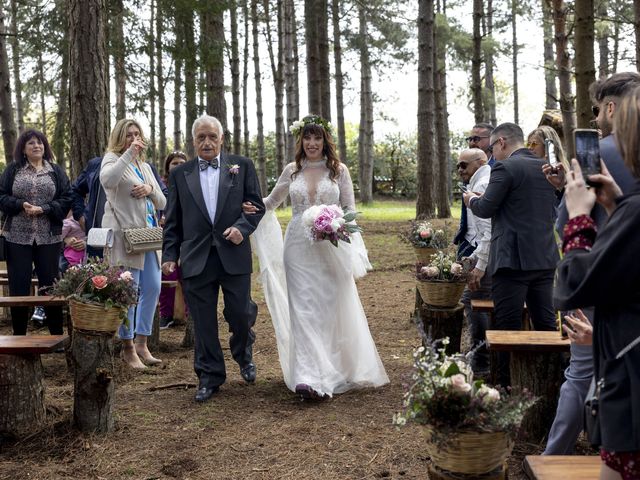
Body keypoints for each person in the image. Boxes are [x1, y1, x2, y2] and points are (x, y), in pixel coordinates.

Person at [251, 114, 389, 400]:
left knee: (328, 307)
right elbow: (271, 202)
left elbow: (350, 210)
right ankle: (307, 377)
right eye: (307, 137)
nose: (312, 143)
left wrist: (335, 224)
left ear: (325, 141)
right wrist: (247, 206)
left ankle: (333, 368)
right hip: (298, 247)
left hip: (330, 246)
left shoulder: (339, 171)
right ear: (301, 140)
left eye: (317, 137)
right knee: (302, 309)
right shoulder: (292, 170)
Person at [543, 72, 640, 456]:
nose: (597, 120)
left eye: (600, 110)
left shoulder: (603, 155)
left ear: (615, 109)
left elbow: (570, 281)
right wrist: (615, 207)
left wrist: (577, 212)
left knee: (582, 373)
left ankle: (552, 457)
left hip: (604, 288)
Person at [162, 114, 265, 403]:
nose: (206, 142)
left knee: (241, 314)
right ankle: (209, 376)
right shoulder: (181, 174)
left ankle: (243, 353)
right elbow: (173, 220)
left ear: (221, 139)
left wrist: (242, 229)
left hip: (233, 254)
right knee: (204, 323)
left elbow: (256, 206)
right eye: (201, 137)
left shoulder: (241, 167)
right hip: (196, 257)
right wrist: (170, 255)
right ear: (193, 141)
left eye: (212, 136)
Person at [464, 122, 559, 387]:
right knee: (546, 325)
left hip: (512, 262)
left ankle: (505, 389)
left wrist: (470, 199)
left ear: (502, 142)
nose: (492, 154)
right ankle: (550, 385)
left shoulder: (504, 167)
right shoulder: (544, 168)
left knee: (507, 327)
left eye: (493, 147)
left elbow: (485, 207)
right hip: (544, 258)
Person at [100, 119, 167, 369]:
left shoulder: (145, 166)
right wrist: (128, 153)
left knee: (152, 287)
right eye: (129, 135)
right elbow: (108, 180)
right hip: (124, 237)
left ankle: (142, 343)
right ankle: (127, 348)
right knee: (130, 291)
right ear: (120, 137)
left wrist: (150, 188)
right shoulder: (112, 159)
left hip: (148, 237)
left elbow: (162, 202)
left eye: (137, 134)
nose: (134, 139)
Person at [0, 129, 72, 335]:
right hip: (17, 237)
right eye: (31, 143)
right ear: (23, 148)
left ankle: (56, 333)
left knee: (51, 285)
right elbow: (1, 196)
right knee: (19, 284)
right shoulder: (13, 170)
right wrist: (20, 204)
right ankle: (19, 334)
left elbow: (66, 198)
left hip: (49, 237)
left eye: (40, 142)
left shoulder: (55, 171)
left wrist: (45, 209)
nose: (36, 146)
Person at [72, 156, 168, 260]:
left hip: (140, 238)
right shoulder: (96, 165)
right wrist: (80, 215)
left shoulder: (144, 166)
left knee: (132, 275)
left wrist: (150, 189)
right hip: (100, 237)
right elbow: (75, 190)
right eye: (127, 138)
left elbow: (164, 195)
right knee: (102, 274)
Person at [455, 148, 492, 376]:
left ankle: (481, 361)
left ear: (479, 163)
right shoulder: (481, 183)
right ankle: (479, 355)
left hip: (491, 260)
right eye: (458, 165)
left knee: (473, 301)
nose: (459, 170)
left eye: (463, 165)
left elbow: (488, 232)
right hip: (484, 253)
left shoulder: (481, 186)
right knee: (472, 301)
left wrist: (479, 266)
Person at [158, 151, 188, 329]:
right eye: (175, 163)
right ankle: (166, 313)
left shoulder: (192, 182)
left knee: (187, 273)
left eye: (182, 162)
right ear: (168, 167)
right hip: (165, 235)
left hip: (187, 234)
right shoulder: (162, 185)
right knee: (168, 273)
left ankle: (187, 312)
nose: (178, 165)